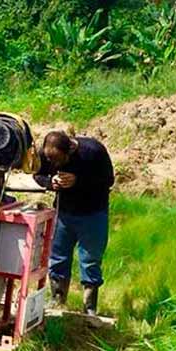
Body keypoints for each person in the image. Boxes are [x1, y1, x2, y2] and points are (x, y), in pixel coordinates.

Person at [33, 130, 115, 315]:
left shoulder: (93, 151)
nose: (53, 164)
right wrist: (49, 182)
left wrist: (78, 181)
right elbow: (38, 174)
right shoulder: (47, 154)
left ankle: (90, 307)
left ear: (70, 148)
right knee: (58, 257)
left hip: (93, 214)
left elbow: (108, 180)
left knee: (90, 260)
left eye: (59, 161)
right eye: (50, 160)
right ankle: (58, 299)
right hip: (63, 213)